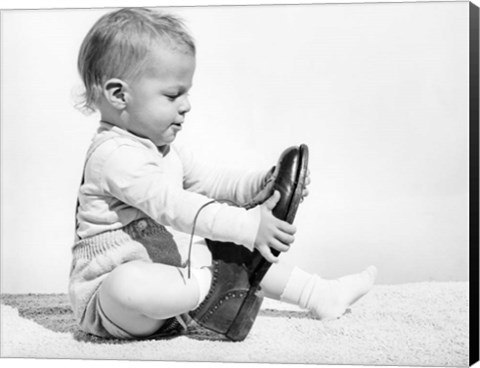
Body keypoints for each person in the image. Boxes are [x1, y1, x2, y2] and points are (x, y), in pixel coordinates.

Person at [69, 7, 377, 340]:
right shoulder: (114, 157)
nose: (186, 105)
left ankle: (319, 294)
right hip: (116, 308)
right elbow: (175, 206)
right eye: (173, 95)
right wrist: (248, 226)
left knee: (229, 249)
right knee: (128, 282)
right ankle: (211, 287)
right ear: (119, 95)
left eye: (187, 93)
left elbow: (210, 181)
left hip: (172, 288)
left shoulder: (163, 150)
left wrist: (260, 186)